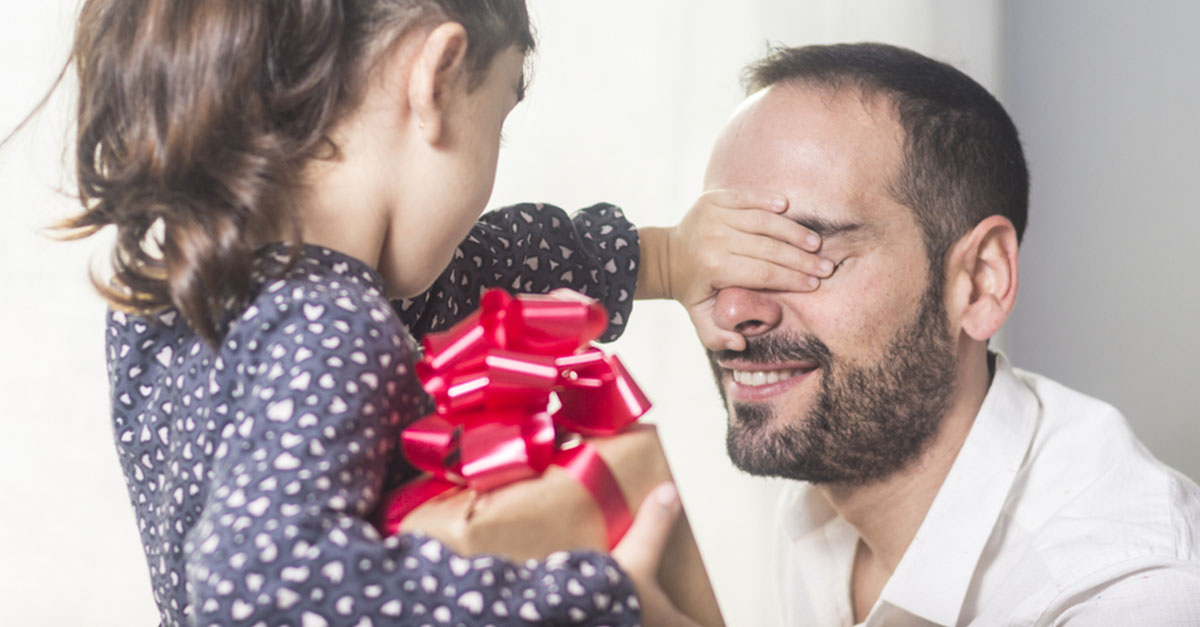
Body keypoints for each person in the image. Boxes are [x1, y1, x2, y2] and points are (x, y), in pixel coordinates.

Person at [52, 1, 837, 624]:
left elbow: (482, 269)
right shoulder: (334, 327)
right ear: (435, 77)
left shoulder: (179, 297)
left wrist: (666, 257)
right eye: (494, 121)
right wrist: (587, 594)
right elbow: (258, 593)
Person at [697, 43, 1200, 625]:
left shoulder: (1131, 594)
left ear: (980, 282)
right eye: (723, 252)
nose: (732, 310)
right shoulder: (823, 491)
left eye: (806, 250)